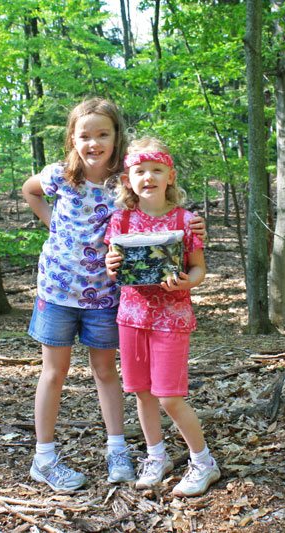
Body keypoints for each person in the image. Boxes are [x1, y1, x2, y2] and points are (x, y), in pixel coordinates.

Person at [21, 99, 205, 492]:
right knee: (54, 373)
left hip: (105, 295)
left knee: (106, 372)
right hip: (56, 289)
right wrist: (54, 226)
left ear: (115, 137)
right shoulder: (58, 176)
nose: (93, 142)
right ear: (72, 138)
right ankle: (44, 457)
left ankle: (117, 449)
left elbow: (158, 210)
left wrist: (193, 223)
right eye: (84, 135)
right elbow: (29, 190)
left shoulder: (123, 184)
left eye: (103, 134)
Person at [104, 137, 220, 498]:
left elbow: (199, 270)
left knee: (169, 396)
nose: (148, 177)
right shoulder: (121, 219)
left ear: (170, 176)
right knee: (141, 392)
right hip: (131, 316)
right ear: (128, 180)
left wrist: (187, 281)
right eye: (139, 171)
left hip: (172, 317)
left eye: (156, 170)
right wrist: (111, 266)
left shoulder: (186, 221)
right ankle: (157, 457)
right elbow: (115, 268)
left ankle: (203, 462)